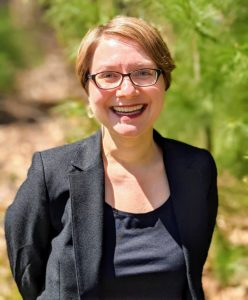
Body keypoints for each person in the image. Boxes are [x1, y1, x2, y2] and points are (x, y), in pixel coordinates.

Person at [5, 16, 218, 300]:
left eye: (143, 72)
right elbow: (29, 274)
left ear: (164, 81)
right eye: (108, 75)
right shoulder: (50, 174)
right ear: (87, 90)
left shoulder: (196, 169)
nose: (127, 90)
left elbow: (191, 275)